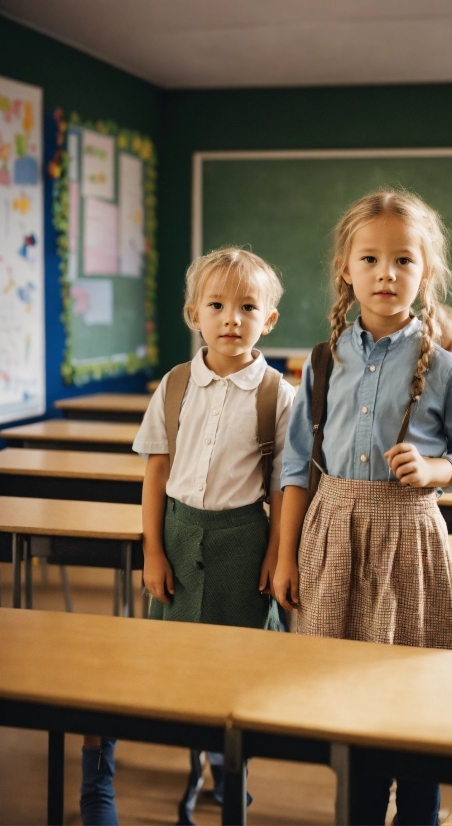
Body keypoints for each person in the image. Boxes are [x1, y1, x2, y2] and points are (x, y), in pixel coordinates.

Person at [274, 188, 452, 826]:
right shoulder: (322, 362)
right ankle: (362, 812)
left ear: (425, 273)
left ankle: (420, 814)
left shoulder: (448, 370)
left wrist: (437, 469)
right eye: (370, 259)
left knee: (413, 688)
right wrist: (286, 557)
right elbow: (295, 467)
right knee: (347, 694)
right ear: (346, 268)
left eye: (403, 260)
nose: (386, 273)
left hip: (409, 541)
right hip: (333, 535)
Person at [80, 247, 295, 826]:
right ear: (192, 313)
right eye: (217, 305)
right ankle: (182, 762)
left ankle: (232, 772)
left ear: (268, 320)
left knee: (236, 666)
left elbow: (282, 490)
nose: (231, 318)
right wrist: (152, 550)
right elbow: (155, 471)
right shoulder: (175, 386)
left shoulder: (279, 395)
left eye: (247, 307)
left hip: (244, 541)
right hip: (177, 535)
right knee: (171, 661)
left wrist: (277, 559)